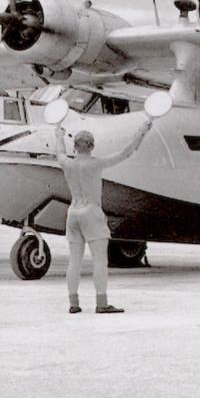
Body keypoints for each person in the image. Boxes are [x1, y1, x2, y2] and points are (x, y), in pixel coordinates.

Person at [54, 113, 153, 314]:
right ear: (92, 146)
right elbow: (126, 152)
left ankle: (73, 303)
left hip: (73, 212)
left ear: (75, 146)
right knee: (100, 259)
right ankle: (101, 302)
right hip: (91, 211)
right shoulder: (96, 164)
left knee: (75, 260)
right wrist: (142, 131)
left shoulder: (67, 164)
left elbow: (59, 152)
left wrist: (58, 134)